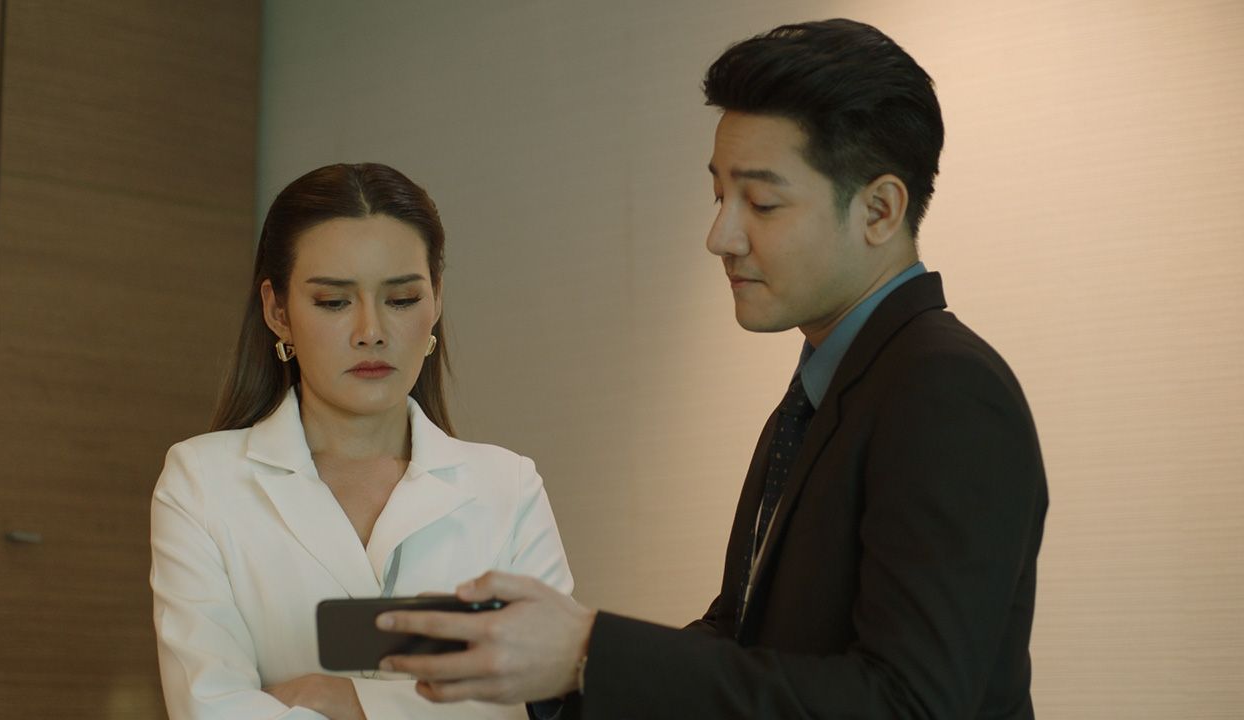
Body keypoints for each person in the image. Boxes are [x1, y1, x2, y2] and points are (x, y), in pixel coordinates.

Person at [378, 19, 1049, 720]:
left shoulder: (946, 390)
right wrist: (550, 668)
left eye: (761, 203)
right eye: (719, 197)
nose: (720, 236)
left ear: (879, 210)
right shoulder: (828, 390)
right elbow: (741, 638)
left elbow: (909, 705)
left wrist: (587, 652)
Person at [150, 163, 573, 719]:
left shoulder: (508, 488)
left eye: (402, 299)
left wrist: (351, 702)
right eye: (334, 302)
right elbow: (211, 708)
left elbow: (546, 694)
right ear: (278, 311)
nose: (371, 331)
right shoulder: (202, 482)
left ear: (436, 300)